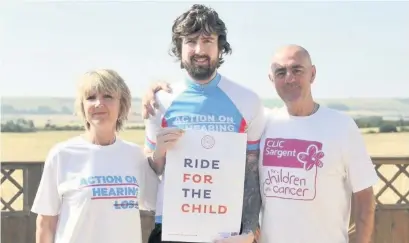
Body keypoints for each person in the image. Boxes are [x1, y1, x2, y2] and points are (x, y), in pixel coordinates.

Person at [142, 44, 378, 243]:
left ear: (313, 74)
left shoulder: (341, 126)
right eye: (280, 72)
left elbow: (365, 199)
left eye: (297, 70)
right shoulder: (265, 123)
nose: (290, 78)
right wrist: (156, 91)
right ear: (271, 79)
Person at [143, 4, 266, 243]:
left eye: (208, 40)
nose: (199, 49)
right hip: (171, 228)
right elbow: (152, 167)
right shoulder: (160, 101)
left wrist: (249, 231)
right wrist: (157, 154)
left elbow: (252, 173)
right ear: (179, 48)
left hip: (227, 231)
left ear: (221, 47)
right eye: (190, 41)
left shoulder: (247, 101)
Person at [31, 69, 160, 243]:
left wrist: (161, 94)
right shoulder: (62, 155)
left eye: (108, 96)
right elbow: (45, 223)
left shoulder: (135, 155)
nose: (99, 103)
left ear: (122, 104)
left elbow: (160, 202)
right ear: (82, 106)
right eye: (91, 97)